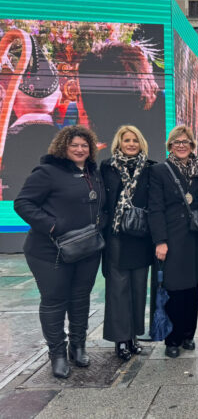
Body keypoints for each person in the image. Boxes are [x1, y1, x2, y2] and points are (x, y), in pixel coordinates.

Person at [14, 125, 106, 378]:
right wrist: (53, 225)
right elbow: (22, 203)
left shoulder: (92, 173)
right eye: (74, 145)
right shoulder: (47, 172)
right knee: (54, 302)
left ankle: (78, 346)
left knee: (80, 299)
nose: (80, 149)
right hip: (49, 252)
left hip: (86, 248)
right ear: (63, 147)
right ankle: (57, 354)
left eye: (84, 146)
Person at [148, 125, 198, 358]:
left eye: (186, 142)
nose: (181, 146)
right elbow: (155, 209)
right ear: (170, 146)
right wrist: (160, 241)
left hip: (195, 238)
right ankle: (172, 338)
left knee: (192, 288)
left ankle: (188, 334)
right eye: (177, 142)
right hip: (172, 238)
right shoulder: (161, 171)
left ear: (192, 146)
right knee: (173, 288)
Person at [100, 125, 155, 361]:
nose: (131, 144)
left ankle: (133, 337)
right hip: (116, 238)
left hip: (141, 238)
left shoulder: (151, 169)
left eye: (135, 140)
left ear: (141, 143)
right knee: (118, 290)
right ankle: (120, 340)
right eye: (126, 140)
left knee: (138, 289)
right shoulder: (107, 167)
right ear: (119, 144)